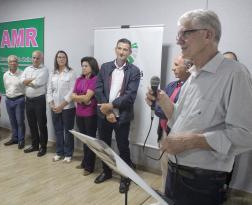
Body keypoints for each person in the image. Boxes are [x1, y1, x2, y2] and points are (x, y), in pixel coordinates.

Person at [146, 9, 252, 205]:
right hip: (174, 171)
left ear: (208, 35)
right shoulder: (193, 75)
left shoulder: (235, 74)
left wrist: (191, 141)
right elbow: (180, 119)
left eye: (185, 33)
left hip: (202, 181)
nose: (178, 40)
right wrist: (163, 100)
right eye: (178, 34)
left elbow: (246, 135)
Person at [94, 38, 141, 194]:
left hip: (122, 117)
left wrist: (112, 107)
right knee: (104, 145)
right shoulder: (106, 67)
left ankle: (125, 177)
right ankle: (106, 172)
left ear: (129, 52)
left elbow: (130, 96)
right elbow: (98, 89)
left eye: (125, 49)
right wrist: (107, 111)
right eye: (120, 48)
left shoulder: (134, 71)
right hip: (104, 115)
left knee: (123, 148)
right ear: (115, 49)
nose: (122, 52)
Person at [155, 55, 192, 193]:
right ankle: (164, 194)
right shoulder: (171, 85)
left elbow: (180, 114)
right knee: (164, 168)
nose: (173, 68)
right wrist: (164, 108)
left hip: (178, 137)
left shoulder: (192, 88)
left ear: (188, 68)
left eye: (176, 65)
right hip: (164, 132)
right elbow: (158, 108)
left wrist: (165, 109)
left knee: (177, 172)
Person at [223, 51, 252, 205]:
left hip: (231, 136)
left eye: (230, 62)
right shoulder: (216, 82)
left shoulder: (242, 82)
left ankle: (224, 191)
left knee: (229, 165)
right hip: (213, 139)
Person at [71, 56, 99, 175]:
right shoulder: (78, 79)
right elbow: (72, 96)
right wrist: (82, 99)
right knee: (84, 140)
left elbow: (87, 97)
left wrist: (81, 98)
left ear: (92, 67)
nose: (83, 68)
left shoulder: (95, 79)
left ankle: (89, 166)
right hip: (79, 113)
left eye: (86, 66)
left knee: (90, 140)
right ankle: (84, 161)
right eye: (82, 65)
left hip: (90, 114)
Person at [47, 50, 76, 163]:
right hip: (54, 107)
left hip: (67, 108)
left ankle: (68, 154)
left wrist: (61, 106)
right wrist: (52, 104)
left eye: (63, 57)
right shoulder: (52, 73)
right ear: (56, 59)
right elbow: (49, 91)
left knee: (68, 131)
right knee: (58, 130)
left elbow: (72, 92)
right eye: (59, 57)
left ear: (66, 59)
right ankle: (59, 152)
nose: (61, 59)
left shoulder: (71, 72)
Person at [21, 50, 49, 157]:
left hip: (39, 100)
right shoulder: (27, 69)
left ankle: (43, 147)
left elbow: (37, 84)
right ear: (31, 58)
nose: (35, 60)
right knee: (32, 124)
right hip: (28, 100)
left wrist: (28, 81)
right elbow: (22, 81)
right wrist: (30, 80)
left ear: (41, 58)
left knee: (41, 124)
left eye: (37, 58)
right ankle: (35, 145)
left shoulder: (44, 70)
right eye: (33, 58)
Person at [3, 55, 26, 149]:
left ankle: (21, 140)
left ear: (17, 63)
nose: (13, 63)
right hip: (8, 100)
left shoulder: (22, 74)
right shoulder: (5, 75)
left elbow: (25, 87)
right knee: (12, 121)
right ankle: (14, 138)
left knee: (20, 121)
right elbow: (6, 88)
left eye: (15, 61)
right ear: (8, 63)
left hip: (19, 100)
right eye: (11, 61)